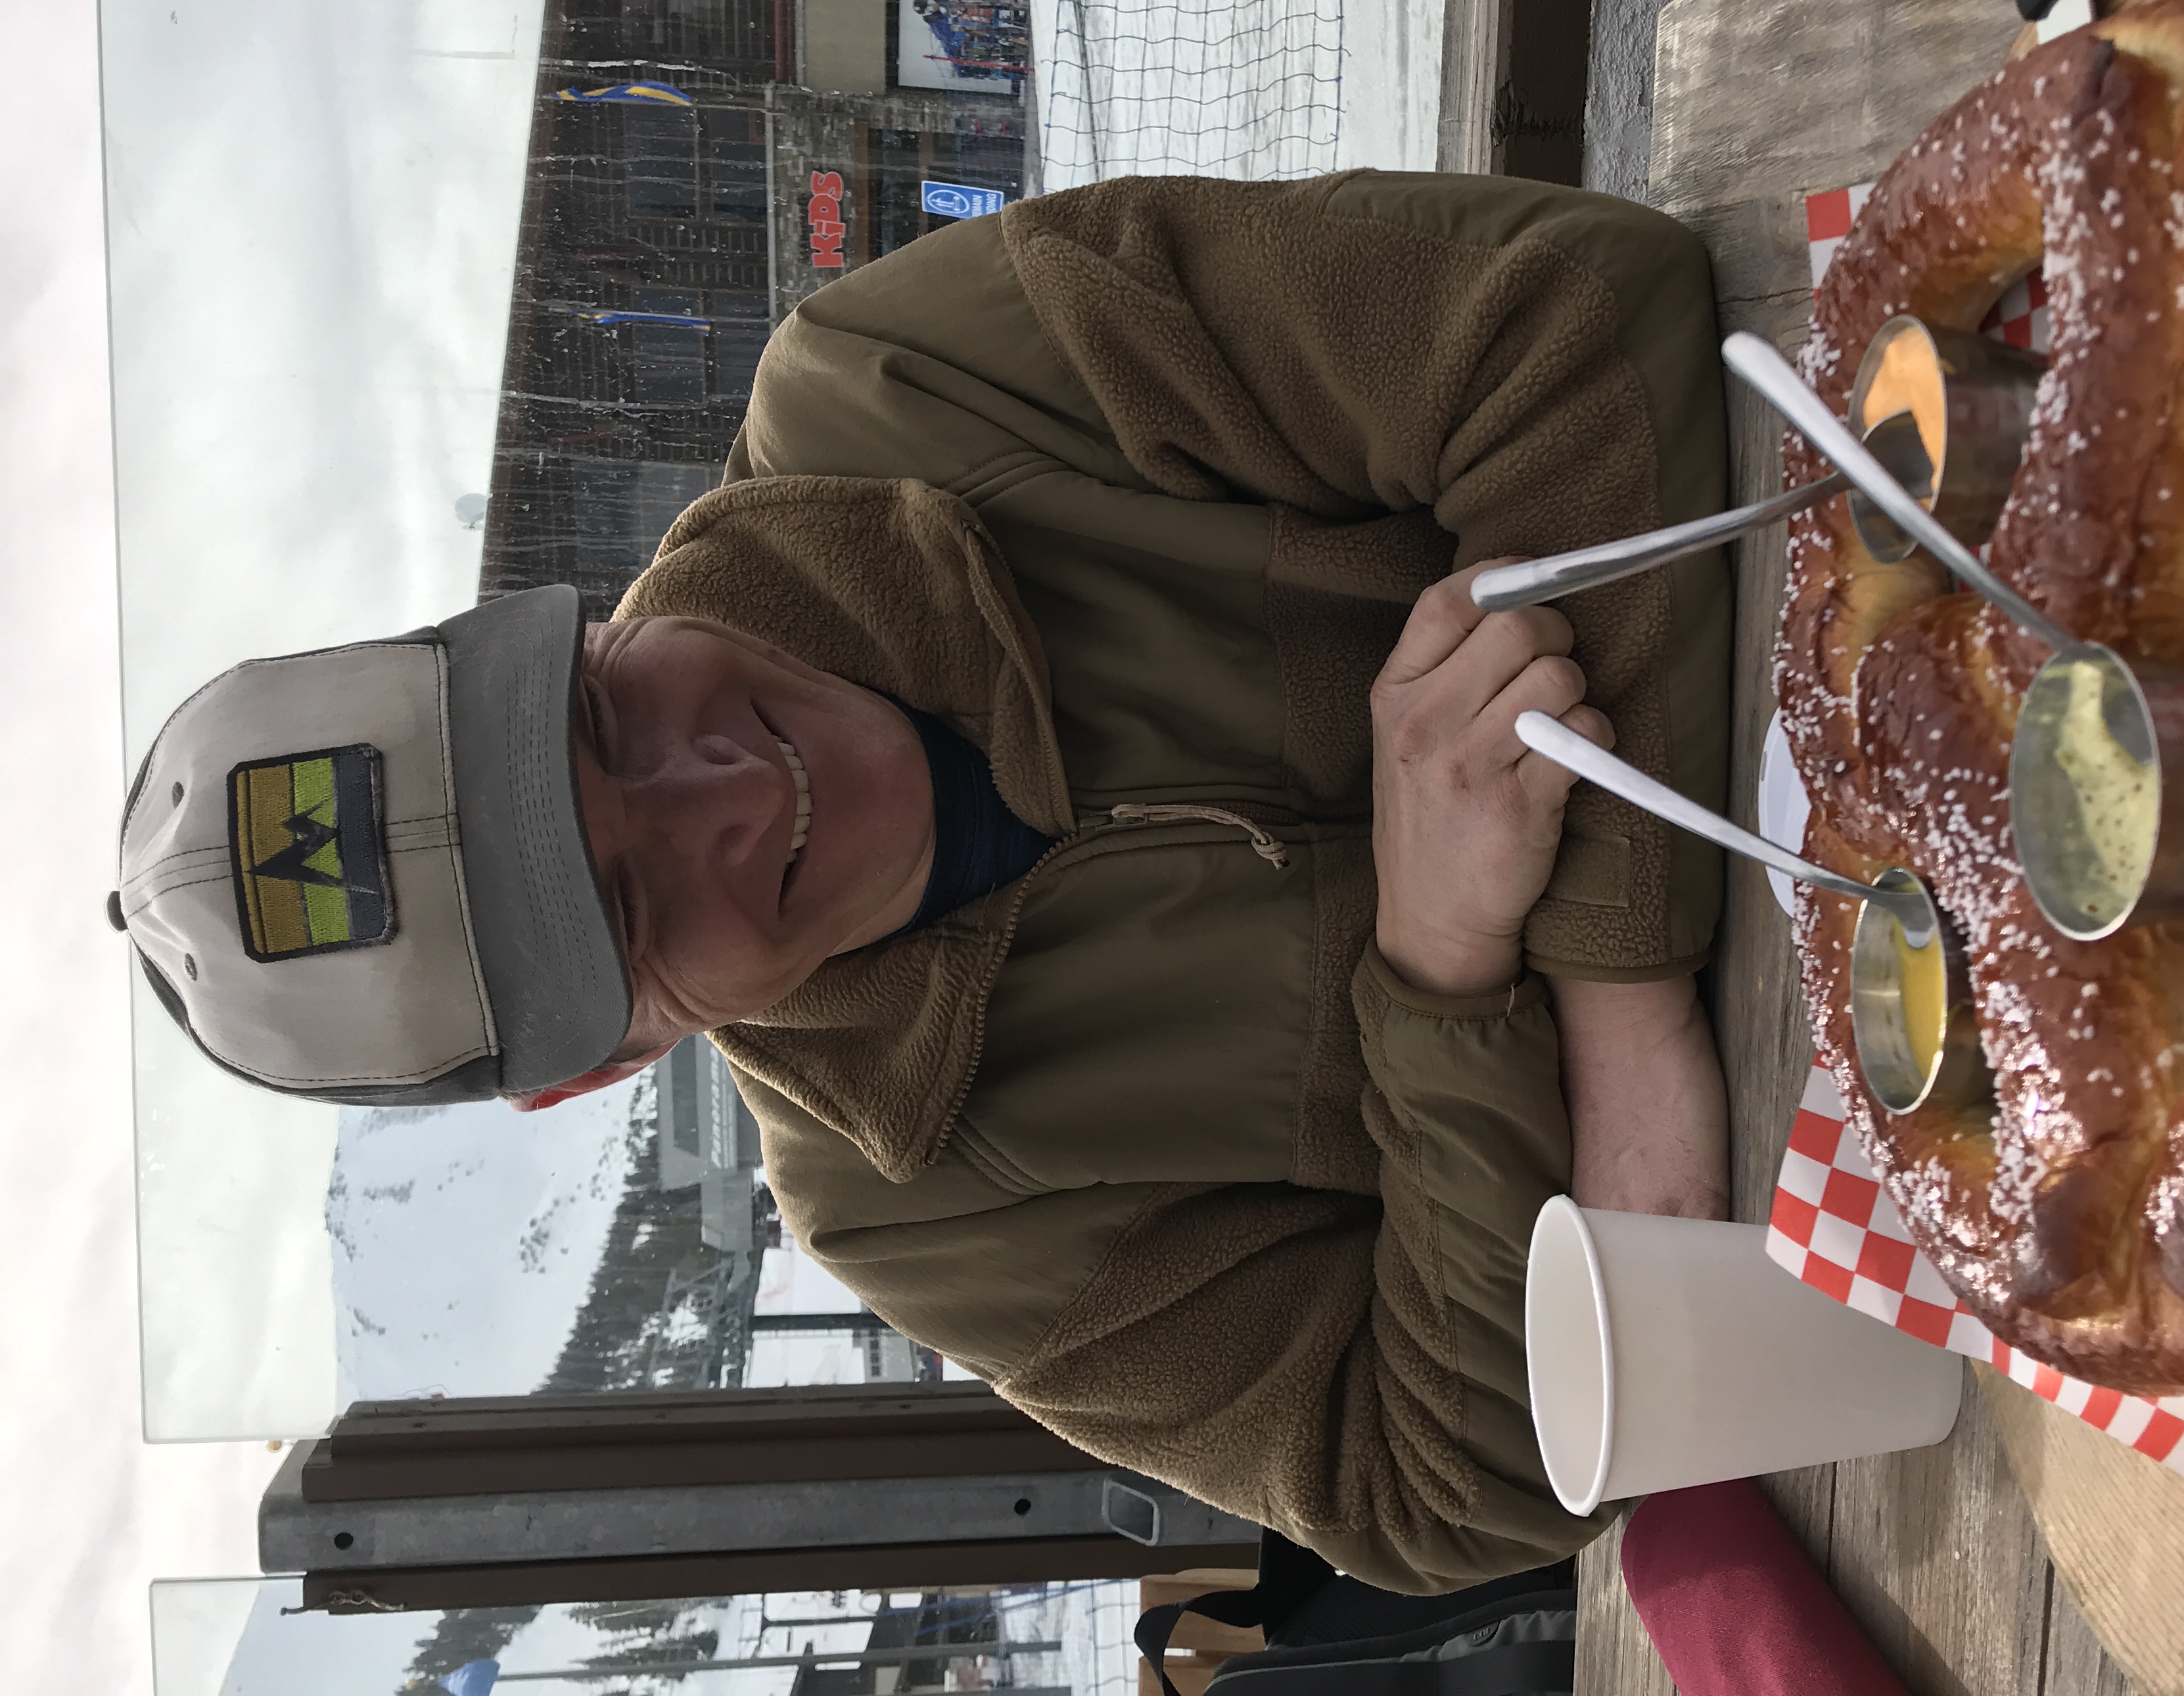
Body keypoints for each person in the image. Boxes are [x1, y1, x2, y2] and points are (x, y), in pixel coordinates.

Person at [112, 171, 1734, 1593]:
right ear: (611, 1064)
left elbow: (1570, 316)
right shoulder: (909, 1203)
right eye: (633, 913)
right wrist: (1437, 968)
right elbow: (1459, 1486)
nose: (725, 794)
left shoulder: (902, 385)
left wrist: (1616, 996)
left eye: (603, 716)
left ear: (571, 620)